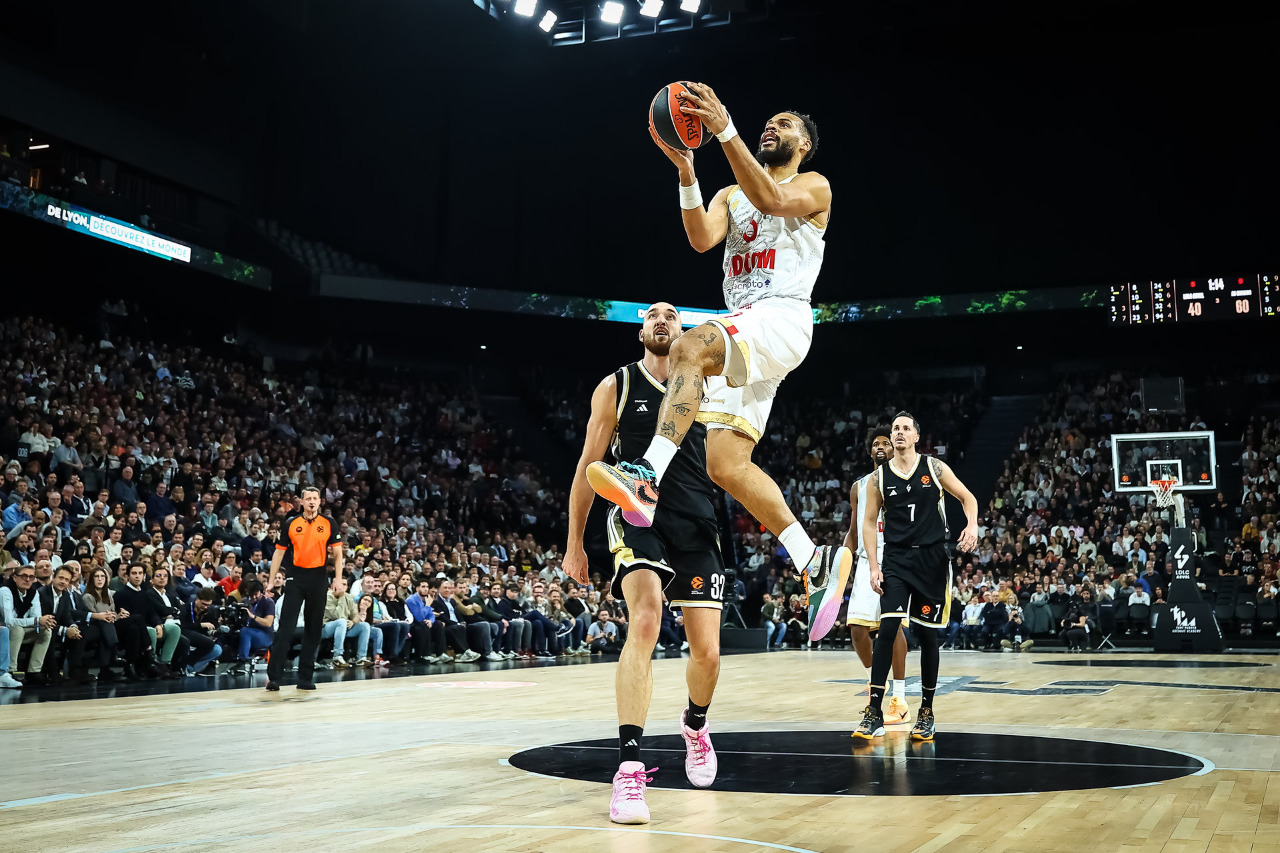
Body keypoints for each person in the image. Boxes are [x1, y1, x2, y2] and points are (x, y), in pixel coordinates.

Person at [585, 98, 852, 638]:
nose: (771, 126)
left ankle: (645, 476)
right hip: (747, 321)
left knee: (688, 347)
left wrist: (725, 128)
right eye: (768, 122)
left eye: (784, 125)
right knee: (724, 464)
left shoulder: (814, 185)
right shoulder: (730, 194)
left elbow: (773, 199)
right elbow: (702, 238)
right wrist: (688, 172)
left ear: (803, 145)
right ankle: (812, 560)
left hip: (780, 315)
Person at [564, 303, 726, 825]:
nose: (661, 320)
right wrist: (574, 541)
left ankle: (695, 726)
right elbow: (588, 466)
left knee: (708, 655)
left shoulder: (708, 384)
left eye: (671, 316)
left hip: (696, 521)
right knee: (647, 620)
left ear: (683, 332)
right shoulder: (616, 385)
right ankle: (629, 770)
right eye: (652, 315)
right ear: (641, 332)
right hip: (639, 515)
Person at [855, 412, 978, 742]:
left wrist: (972, 525)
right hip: (896, 559)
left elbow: (968, 497)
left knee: (926, 635)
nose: (899, 432)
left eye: (905, 428)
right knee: (888, 628)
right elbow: (868, 522)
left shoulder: (934, 468)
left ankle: (926, 712)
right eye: (896, 428)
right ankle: (874, 711)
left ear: (915, 437)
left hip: (931, 559)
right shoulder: (878, 478)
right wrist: (874, 566)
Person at [843, 427, 910, 726]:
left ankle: (900, 699)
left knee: (892, 628)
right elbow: (853, 531)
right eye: (875, 443)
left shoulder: (904, 481)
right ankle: (876, 684)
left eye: (886, 442)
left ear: (894, 449)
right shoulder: (858, 487)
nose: (880, 446)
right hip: (864, 560)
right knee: (857, 628)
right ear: (870, 451)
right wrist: (841, 562)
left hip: (894, 559)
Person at [266, 486, 343, 692]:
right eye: (308, 498)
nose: (311, 502)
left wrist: (338, 578)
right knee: (286, 627)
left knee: (313, 628)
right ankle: (274, 677)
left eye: (315, 498)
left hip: (318, 577)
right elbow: (278, 553)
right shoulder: (291, 523)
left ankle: (305, 678)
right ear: (301, 502)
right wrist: (271, 580)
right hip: (296, 576)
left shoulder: (329, 523)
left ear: (319, 501)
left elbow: (338, 554)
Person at [320, 576, 371, 668]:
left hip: (344, 627)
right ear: (333, 585)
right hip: (326, 628)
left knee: (365, 626)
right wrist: (341, 598)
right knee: (342, 621)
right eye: (340, 584)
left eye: (344, 584)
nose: (341, 587)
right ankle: (337, 657)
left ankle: (361, 658)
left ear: (347, 587)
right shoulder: (326, 596)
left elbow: (356, 615)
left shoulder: (349, 597)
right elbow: (337, 616)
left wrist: (352, 622)